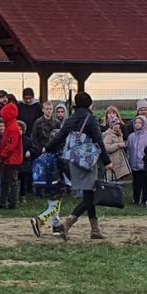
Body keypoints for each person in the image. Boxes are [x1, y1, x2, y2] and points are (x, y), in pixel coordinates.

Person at [43, 92, 107, 240]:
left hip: (74, 160)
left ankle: (94, 230)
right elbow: (99, 141)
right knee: (90, 196)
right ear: (89, 103)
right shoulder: (90, 119)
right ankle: (67, 224)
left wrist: (47, 148)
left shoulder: (71, 119)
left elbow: (60, 137)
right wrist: (107, 161)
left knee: (88, 194)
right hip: (88, 161)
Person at [0, 102, 24, 210]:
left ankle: (12, 203)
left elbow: (11, 146)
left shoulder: (12, 128)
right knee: (7, 181)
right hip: (10, 159)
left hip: (12, 160)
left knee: (12, 182)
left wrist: (1, 155)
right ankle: (5, 202)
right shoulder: (11, 126)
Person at [127, 114, 147, 207]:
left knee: (145, 183)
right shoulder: (131, 137)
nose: (137, 124)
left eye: (139, 123)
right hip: (134, 163)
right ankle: (136, 199)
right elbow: (129, 149)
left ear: (144, 124)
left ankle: (145, 200)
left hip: (144, 164)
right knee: (136, 183)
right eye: (136, 122)